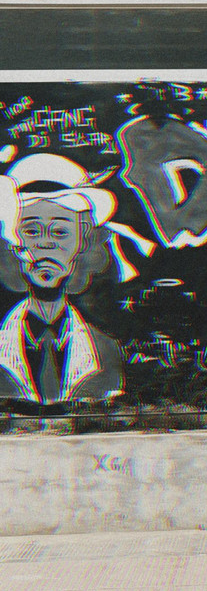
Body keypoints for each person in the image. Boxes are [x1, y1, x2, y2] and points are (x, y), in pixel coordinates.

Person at [0, 153, 123, 414]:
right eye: (31, 231)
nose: (45, 244)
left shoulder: (105, 348)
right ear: (12, 242)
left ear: (82, 241)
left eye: (59, 232)